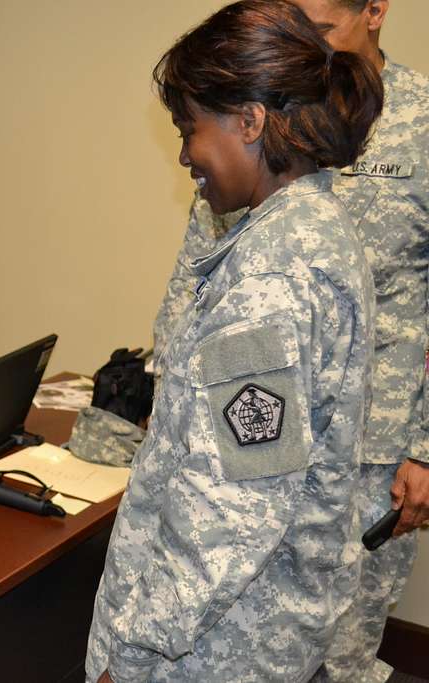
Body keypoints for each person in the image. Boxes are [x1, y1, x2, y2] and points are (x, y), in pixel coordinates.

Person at [85, 1, 383, 681]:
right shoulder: (317, 229)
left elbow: (229, 513)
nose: (186, 152)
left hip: (212, 653)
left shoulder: (269, 282)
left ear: (250, 121)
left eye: (190, 128)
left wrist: (130, 657)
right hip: (267, 633)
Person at [151, 1, 429, 680]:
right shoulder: (268, 140)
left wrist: (425, 446)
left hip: (370, 449)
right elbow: (200, 261)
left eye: (320, 31)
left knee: (332, 651)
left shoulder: (419, 123)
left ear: (374, 12)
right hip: (254, 435)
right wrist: (166, 388)